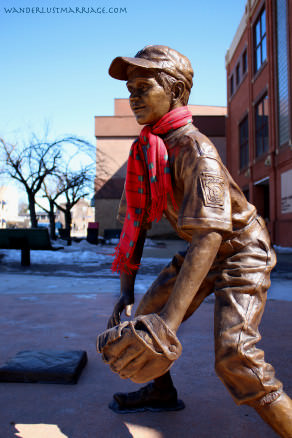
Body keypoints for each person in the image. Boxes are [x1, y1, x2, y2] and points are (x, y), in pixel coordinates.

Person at [99, 45, 292, 437]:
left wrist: (168, 322)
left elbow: (210, 235)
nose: (133, 96)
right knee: (146, 317)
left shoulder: (195, 150)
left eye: (143, 86)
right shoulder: (148, 149)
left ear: (176, 93)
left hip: (241, 250)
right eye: (130, 88)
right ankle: (161, 392)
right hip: (205, 247)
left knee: (235, 359)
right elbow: (136, 222)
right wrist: (127, 292)